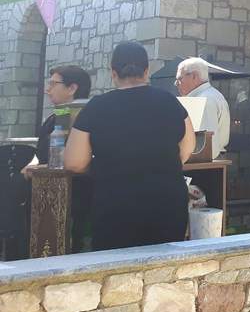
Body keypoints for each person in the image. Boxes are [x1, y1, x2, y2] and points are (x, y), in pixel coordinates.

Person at [64, 42, 196, 250]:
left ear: (113, 73)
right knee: (165, 265)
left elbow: (74, 162)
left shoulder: (97, 107)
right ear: (146, 71)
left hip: (116, 204)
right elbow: (187, 148)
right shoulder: (170, 102)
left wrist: (104, 165)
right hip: (166, 203)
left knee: (117, 266)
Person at [22, 65, 93, 253]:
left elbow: (76, 160)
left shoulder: (86, 117)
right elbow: (42, 154)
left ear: (72, 88)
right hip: (45, 198)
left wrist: (46, 166)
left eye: (53, 84)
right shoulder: (55, 117)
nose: (48, 90)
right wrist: (33, 165)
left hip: (76, 199)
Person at [175, 57, 231, 157]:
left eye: (179, 79)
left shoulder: (205, 100)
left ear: (194, 76)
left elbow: (207, 147)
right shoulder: (209, 96)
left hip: (205, 162)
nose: (176, 84)